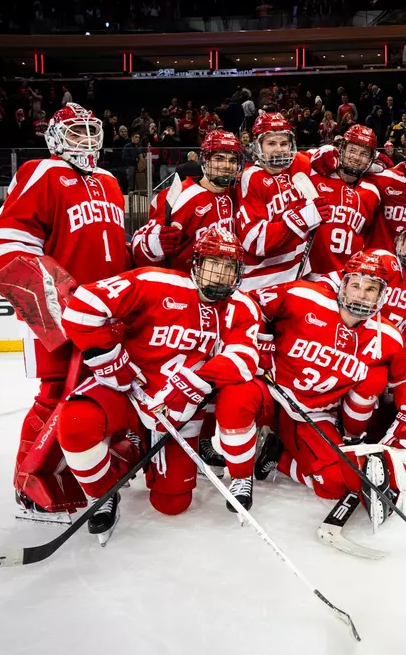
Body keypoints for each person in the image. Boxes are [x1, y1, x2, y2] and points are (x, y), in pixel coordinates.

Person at [57, 228, 263, 540]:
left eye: (229, 267)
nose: (221, 274)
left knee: (172, 504)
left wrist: (194, 383)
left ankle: (133, 448)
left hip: (179, 410)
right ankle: (102, 492)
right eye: (213, 264)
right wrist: (109, 360)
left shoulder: (242, 307)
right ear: (196, 264)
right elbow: (82, 306)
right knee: (76, 422)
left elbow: (244, 359)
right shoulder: (155, 282)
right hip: (128, 390)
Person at [0, 103, 129, 518]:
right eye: (76, 132)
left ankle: (90, 468)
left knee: (99, 394)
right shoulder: (42, 171)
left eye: (91, 131)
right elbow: (6, 239)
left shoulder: (109, 181)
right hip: (59, 311)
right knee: (54, 395)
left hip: (106, 314)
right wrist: (57, 297)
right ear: (56, 138)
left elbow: (110, 247)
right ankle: (30, 481)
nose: (86, 139)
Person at [253, 251, 406, 530]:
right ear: (343, 285)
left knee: (334, 484)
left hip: (312, 414)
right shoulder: (307, 297)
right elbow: (251, 304)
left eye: (371, 289)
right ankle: (224, 450)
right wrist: (260, 342)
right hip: (272, 391)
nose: (361, 295)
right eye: (355, 286)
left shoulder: (387, 335)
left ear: (382, 295)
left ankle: (279, 457)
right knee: (237, 397)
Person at [131, 129, 243, 272]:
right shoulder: (178, 195)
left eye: (232, 160)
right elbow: (138, 246)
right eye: (219, 159)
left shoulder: (237, 193)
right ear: (205, 160)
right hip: (184, 280)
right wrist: (155, 242)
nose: (227, 166)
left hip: (227, 278)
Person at [237, 111, 326, 289]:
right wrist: (301, 219)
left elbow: (321, 154)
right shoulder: (251, 177)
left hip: (296, 276)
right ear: (258, 146)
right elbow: (254, 240)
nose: (279, 149)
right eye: (271, 143)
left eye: (284, 143)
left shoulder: (294, 167)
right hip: (260, 284)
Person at [301, 124, 381, 277]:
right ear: (341, 149)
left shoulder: (373, 192)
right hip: (309, 272)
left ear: (371, 159)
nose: (357, 158)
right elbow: (291, 159)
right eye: (352, 150)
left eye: (364, 154)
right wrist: (318, 151)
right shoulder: (316, 173)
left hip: (347, 277)